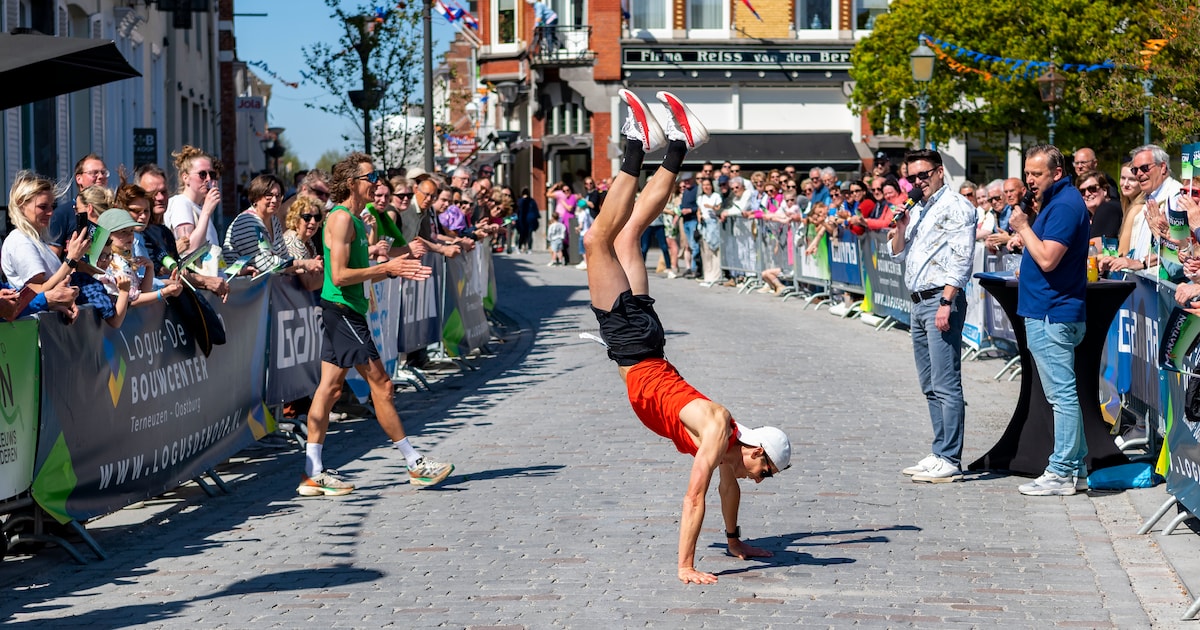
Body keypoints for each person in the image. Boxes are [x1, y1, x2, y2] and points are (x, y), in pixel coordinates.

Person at [585, 89, 791, 585]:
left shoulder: (729, 444)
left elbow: (726, 489)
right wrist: (685, 566)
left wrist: (735, 537)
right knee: (598, 241)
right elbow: (695, 495)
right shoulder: (720, 429)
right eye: (765, 473)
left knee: (629, 236)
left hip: (647, 347)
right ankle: (637, 145)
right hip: (637, 350)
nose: (758, 481)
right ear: (756, 451)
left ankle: (679, 144)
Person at [299, 153, 449, 497]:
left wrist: (395, 266)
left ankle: (313, 472)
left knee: (330, 390)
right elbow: (338, 275)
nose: (378, 182)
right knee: (382, 385)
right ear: (352, 182)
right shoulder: (340, 220)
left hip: (344, 309)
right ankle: (415, 464)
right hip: (342, 312)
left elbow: (357, 273)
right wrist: (388, 269)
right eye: (371, 177)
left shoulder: (354, 218)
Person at [889, 149, 976, 484]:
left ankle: (950, 456)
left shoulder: (955, 206)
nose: (918, 182)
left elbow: (962, 257)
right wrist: (901, 226)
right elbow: (897, 254)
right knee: (929, 383)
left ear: (940, 172)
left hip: (940, 299)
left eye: (924, 175)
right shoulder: (920, 210)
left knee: (945, 382)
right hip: (918, 301)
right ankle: (939, 450)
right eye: (912, 177)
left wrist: (946, 301)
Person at [1010, 144, 1091, 496]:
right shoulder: (1061, 202)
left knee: (1061, 396)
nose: (1030, 180)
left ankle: (1060, 471)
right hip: (1048, 310)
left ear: (1057, 173)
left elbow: (1047, 259)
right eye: (1027, 173)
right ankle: (1077, 467)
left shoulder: (1065, 205)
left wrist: (1024, 228)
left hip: (1051, 313)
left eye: (1036, 174)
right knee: (1062, 394)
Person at [2, 171, 89, 293]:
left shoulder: (35, 240)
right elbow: (37, 292)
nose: (50, 212)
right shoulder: (21, 242)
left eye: (51, 206)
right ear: (21, 204)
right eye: (42, 207)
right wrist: (71, 259)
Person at [165, 145, 222, 257]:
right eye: (202, 174)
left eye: (212, 174)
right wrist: (206, 211)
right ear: (185, 178)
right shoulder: (181, 203)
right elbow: (189, 249)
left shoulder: (198, 207)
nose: (209, 179)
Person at [48, 153, 109, 257]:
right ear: (79, 179)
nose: (100, 176)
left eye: (103, 173)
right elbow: (53, 257)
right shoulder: (63, 213)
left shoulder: (112, 211)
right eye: (94, 173)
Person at [514, 188, 540, 253]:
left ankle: (519, 247)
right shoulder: (532, 201)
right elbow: (535, 212)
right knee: (528, 235)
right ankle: (529, 248)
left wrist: (514, 220)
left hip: (522, 221)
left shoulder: (520, 201)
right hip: (528, 221)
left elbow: (517, 211)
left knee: (522, 235)